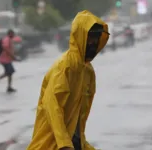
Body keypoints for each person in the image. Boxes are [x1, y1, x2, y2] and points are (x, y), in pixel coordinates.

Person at [27, 10, 109, 150]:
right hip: (51, 145)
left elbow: (78, 118)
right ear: (80, 36)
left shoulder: (88, 72)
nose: (93, 43)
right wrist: (64, 144)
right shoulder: (64, 68)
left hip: (73, 143)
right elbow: (53, 107)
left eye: (96, 38)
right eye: (90, 37)